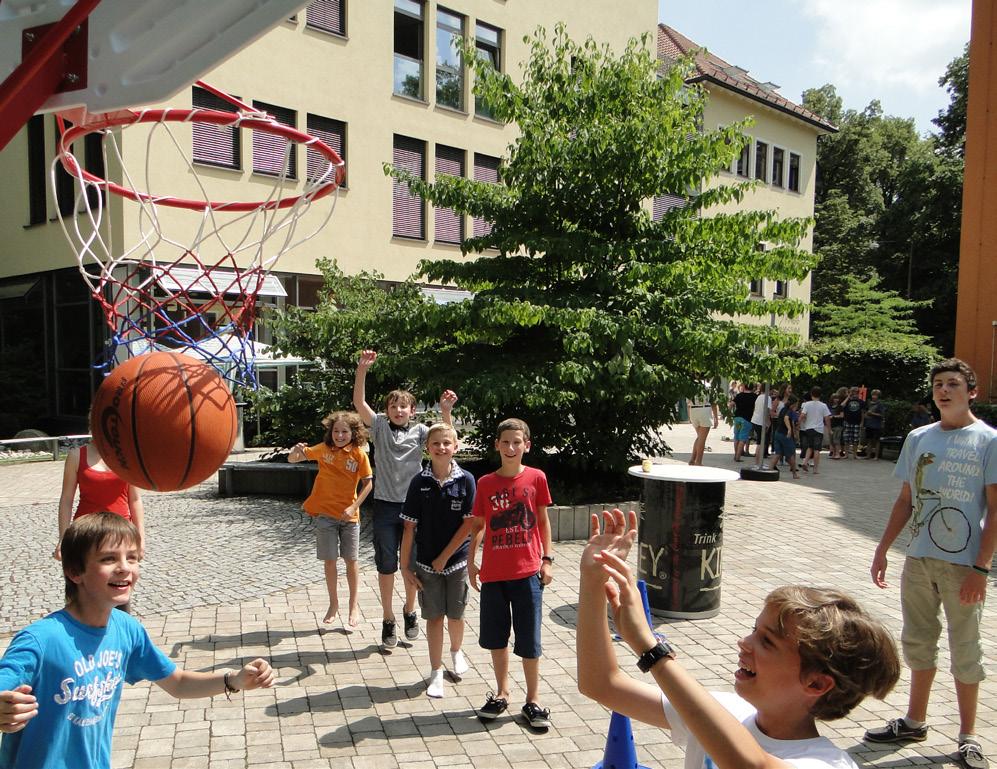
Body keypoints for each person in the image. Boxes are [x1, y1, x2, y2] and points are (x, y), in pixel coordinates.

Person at [577, 508, 901, 769]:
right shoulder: (722, 710)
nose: (744, 643)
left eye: (767, 642)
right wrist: (593, 581)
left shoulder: (826, 763)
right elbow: (601, 684)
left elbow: (749, 764)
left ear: (816, 684)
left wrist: (652, 649)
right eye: (754, 630)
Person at [0, 513, 274, 769]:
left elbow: (177, 682)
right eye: (108, 559)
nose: (124, 568)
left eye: (132, 558)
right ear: (75, 572)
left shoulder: (126, 629)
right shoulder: (41, 640)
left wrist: (233, 680)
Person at [868, 359, 997, 769]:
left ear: (971, 392)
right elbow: (906, 500)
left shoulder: (989, 441)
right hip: (920, 558)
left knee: (966, 649)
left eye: (953, 384)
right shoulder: (919, 437)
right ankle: (914, 720)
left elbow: (995, 510)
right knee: (918, 642)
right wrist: (883, 548)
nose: (944, 391)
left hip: (963, 566)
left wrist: (981, 568)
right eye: (939, 384)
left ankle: (967, 736)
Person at [449, 418, 554, 728]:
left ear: (527, 446)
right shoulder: (485, 483)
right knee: (497, 638)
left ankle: (533, 700)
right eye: (505, 442)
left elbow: (544, 522)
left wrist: (547, 559)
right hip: (493, 575)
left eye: (517, 442)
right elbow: (478, 525)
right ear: (497, 445)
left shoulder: (536, 478)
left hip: (527, 573)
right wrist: (470, 562)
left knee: (529, 639)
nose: (511, 448)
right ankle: (502, 692)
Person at [353, 349, 457, 649]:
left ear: (413, 411)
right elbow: (359, 403)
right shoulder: (380, 427)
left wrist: (445, 409)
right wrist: (362, 371)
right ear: (386, 410)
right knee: (386, 564)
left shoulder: (422, 431)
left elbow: (446, 436)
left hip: (415, 508)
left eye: (404, 407)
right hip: (386, 507)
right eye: (393, 406)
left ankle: (410, 611)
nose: (399, 410)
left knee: (411, 564)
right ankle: (388, 619)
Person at [400, 423, 476, 698]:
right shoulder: (418, 482)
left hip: (455, 562)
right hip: (426, 564)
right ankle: (435, 672)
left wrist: (445, 557)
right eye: (436, 444)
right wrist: (404, 566)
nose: (442, 448)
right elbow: (409, 527)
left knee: (456, 614)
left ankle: (456, 652)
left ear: (455, 447)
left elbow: (469, 525)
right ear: (427, 448)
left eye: (447, 443)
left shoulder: (466, 479)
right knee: (434, 617)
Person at [289, 410, 373, 629]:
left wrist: (354, 506)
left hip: (349, 517)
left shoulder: (358, 454)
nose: (340, 435)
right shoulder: (324, 449)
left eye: (344, 431)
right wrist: (295, 451)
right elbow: (294, 458)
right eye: (336, 431)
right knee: (329, 561)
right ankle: (333, 604)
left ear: (353, 433)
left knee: (351, 561)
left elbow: (369, 484)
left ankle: (353, 605)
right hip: (325, 515)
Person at [55, 441, 144, 561]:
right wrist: (63, 538)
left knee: (119, 575)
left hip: (120, 530)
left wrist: (141, 538)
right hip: (86, 531)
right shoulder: (76, 456)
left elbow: (135, 499)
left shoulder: (128, 455)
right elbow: (66, 500)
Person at [765, 395, 801, 479]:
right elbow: (786, 418)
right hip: (785, 435)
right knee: (791, 454)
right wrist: (790, 430)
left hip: (778, 433)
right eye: (796, 404)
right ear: (794, 404)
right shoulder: (790, 411)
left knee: (778, 454)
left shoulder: (783, 409)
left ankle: (769, 471)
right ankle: (794, 474)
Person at [799, 387, 832, 474]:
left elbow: (802, 415)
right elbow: (827, 418)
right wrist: (829, 429)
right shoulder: (823, 405)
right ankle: (815, 469)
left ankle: (805, 462)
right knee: (817, 449)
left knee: (810, 447)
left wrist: (799, 423)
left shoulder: (807, 404)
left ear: (811, 394)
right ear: (820, 395)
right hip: (819, 429)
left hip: (809, 428)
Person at [687, 382, 719, 466]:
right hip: (704, 410)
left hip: (693, 410)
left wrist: (689, 416)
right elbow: (713, 403)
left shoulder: (691, 385)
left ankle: (692, 459)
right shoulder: (708, 386)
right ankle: (699, 462)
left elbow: (688, 402)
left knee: (700, 437)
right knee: (702, 439)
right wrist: (716, 418)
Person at [731, 383, 757, 463]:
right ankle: (738, 457)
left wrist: (730, 411)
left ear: (744, 387)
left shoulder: (739, 395)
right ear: (752, 388)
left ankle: (736, 455)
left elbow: (731, 404)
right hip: (747, 419)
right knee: (743, 438)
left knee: (737, 436)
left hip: (738, 418)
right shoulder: (754, 396)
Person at [840, 386, 866, 459]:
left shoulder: (861, 402)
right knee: (846, 439)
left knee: (855, 439)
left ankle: (855, 455)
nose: (854, 394)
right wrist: (848, 397)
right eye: (853, 392)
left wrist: (862, 422)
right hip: (847, 421)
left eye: (856, 392)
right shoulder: (847, 401)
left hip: (857, 422)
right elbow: (842, 405)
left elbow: (862, 413)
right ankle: (846, 454)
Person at [749, 386, 772, 461]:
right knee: (761, 442)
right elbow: (767, 411)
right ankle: (758, 462)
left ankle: (758, 461)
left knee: (760, 441)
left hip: (755, 420)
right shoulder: (767, 398)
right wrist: (768, 422)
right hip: (761, 422)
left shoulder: (759, 397)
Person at [864, 389, 887, 460]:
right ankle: (868, 455)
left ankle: (876, 456)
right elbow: (865, 412)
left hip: (877, 424)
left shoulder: (880, 404)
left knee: (877, 441)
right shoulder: (868, 403)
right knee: (869, 440)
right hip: (869, 424)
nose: (874, 396)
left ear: (878, 396)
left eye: (876, 395)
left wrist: (872, 414)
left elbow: (882, 415)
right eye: (873, 395)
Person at [828, 393, 845, 460]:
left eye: (837, 398)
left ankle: (838, 454)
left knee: (836, 440)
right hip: (830, 425)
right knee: (832, 441)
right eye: (835, 398)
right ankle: (834, 453)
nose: (836, 400)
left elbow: (842, 416)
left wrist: (833, 416)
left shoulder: (840, 407)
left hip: (838, 426)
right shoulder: (829, 407)